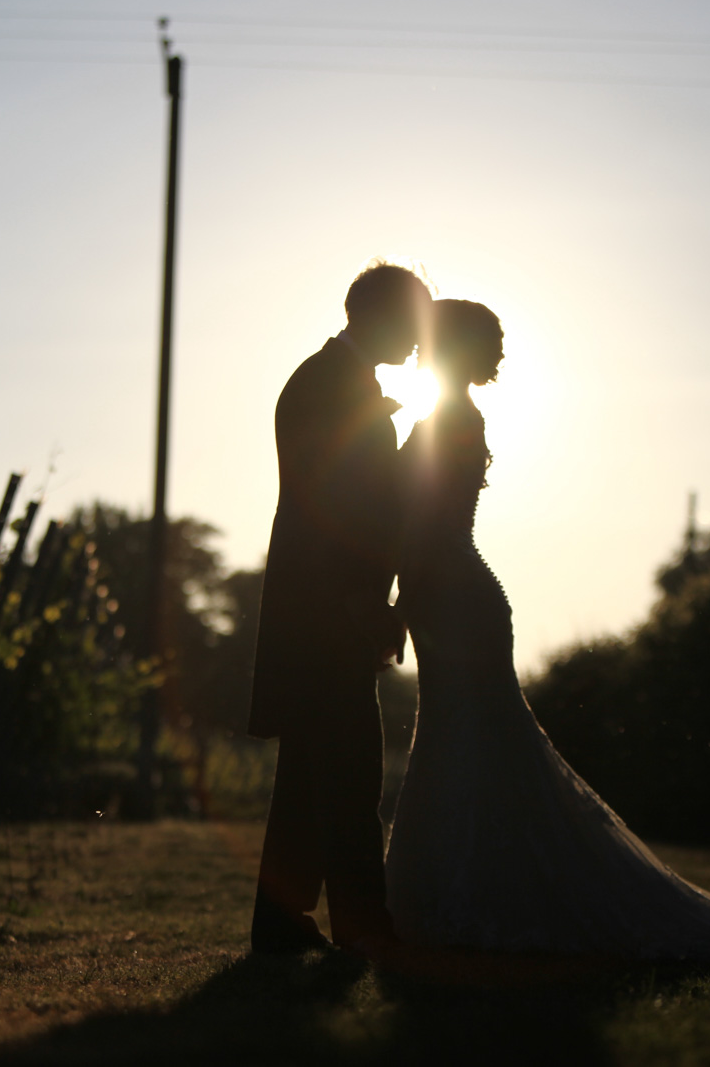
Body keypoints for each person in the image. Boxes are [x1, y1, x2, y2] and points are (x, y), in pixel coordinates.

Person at [384, 298, 710, 959]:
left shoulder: (447, 418)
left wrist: (398, 593)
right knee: (464, 736)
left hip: (453, 594)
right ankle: (454, 889)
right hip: (451, 592)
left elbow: (419, 522)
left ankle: (460, 894)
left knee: (466, 736)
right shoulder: (452, 415)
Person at [247, 261, 432, 955]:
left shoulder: (337, 380)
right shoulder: (328, 386)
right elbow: (331, 505)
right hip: (327, 615)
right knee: (351, 775)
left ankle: (281, 925)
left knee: (309, 778)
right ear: (377, 317)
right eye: (410, 327)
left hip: (324, 611)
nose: (418, 344)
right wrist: (361, 601)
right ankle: (363, 928)